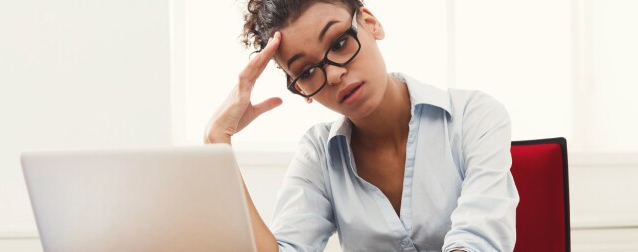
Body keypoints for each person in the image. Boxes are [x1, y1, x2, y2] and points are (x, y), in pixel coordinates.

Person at [204, 0, 519, 251]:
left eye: (339, 42)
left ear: (370, 23)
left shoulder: (473, 116)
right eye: (308, 71)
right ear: (300, 89)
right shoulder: (318, 154)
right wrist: (218, 140)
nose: (334, 75)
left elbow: (477, 241)